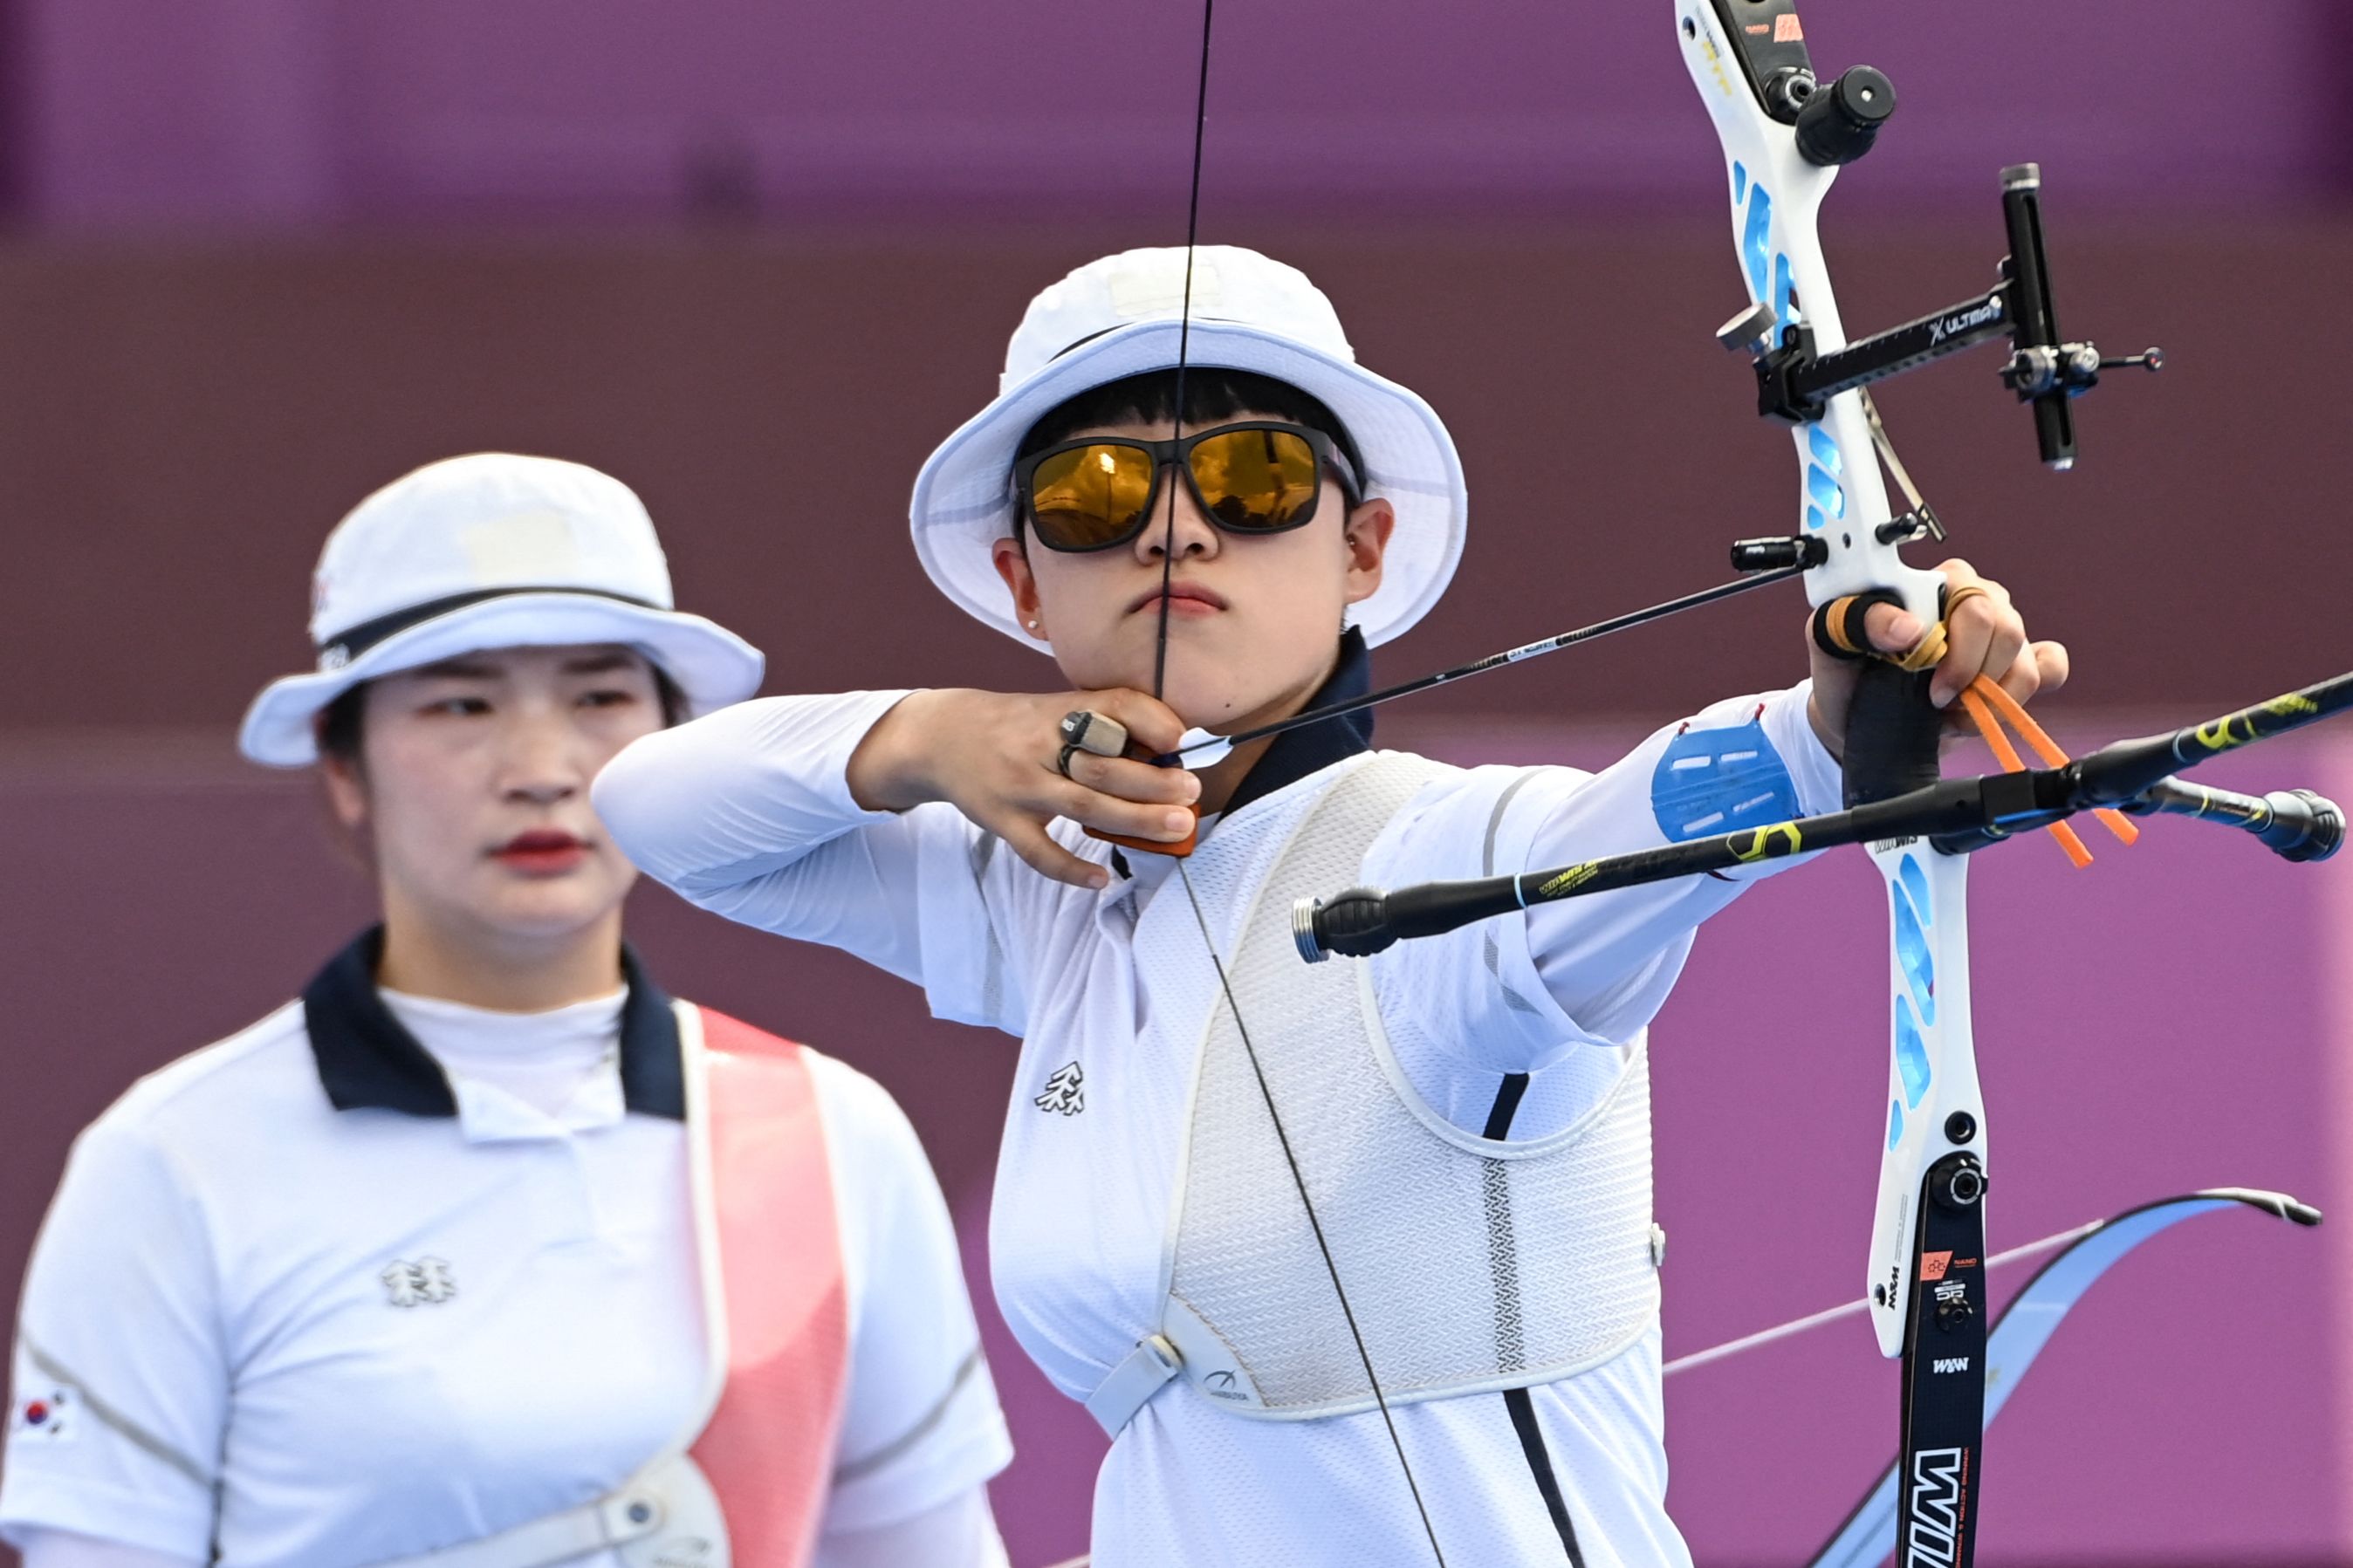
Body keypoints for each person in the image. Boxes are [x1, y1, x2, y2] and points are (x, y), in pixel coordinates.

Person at [590, 249, 2066, 1566]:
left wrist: (1835, 718)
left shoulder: (1446, 854)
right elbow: (652, 802)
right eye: (1095, 497)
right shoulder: (1049, 889)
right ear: (1022, 584)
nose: (1176, 532)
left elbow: (1652, 820)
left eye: (1250, 484)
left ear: (1360, 548)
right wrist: (926, 733)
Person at [1, 455, 1013, 1568]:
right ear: (345, 766)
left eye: (598, 698)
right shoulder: (173, 1158)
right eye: (462, 703)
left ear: (677, 748)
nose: (542, 768)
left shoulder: (830, 1134)